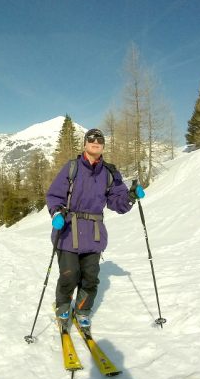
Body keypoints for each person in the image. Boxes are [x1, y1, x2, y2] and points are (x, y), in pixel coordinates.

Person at [46, 128, 144, 328]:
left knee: (90, 278)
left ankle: (82, 310)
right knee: (69, 275)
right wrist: (56, 213)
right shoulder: (72, 167)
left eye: (99, 139)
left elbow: (118, 202)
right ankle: (63, 307)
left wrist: (130, 197)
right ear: (85, 143)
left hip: (93, 234)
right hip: (68, 232)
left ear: (103, 145)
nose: (95, 141)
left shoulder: (109, 173)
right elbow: (55, 195)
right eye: (91, 138)